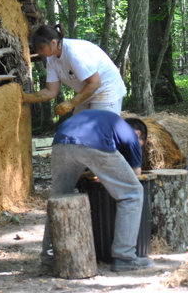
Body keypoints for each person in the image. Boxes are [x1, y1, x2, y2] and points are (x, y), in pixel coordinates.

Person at [40, 110, 154, 272]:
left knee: (59, 199)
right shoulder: (131, 135)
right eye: (141, 144)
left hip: (61, 141)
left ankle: (50, 256)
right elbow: (136, 176)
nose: (138, 147)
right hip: (93, 144)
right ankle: (125, 256)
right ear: (138, 133)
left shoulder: (108, 123)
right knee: (133, 194)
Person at [22, 24, 127, 116]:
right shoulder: (51, 59)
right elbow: (51, 91)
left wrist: (71, 103)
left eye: (42, 48)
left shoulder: (73, 53)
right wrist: (25, 98)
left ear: (53, 42)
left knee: (100, 132)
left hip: (107, 90)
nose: (40, 52)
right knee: (77, 129)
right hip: (86, 92)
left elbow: (95, 83)